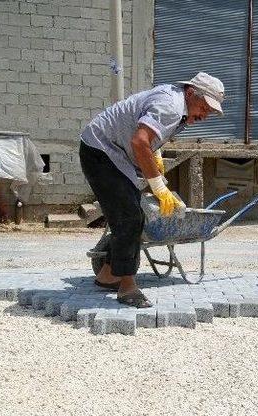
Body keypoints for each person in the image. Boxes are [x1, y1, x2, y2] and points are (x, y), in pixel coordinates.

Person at [79, 72, 224, 308]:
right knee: (129, 217)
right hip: (101, 149)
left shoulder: (179, 106)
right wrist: (158, 187)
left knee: (131, 214)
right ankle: (127, 288)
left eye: (210, 111)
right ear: (190, 93)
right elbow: (139, 142)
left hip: (115, 152)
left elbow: (145, 132)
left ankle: (107, 276)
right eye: (205, 107)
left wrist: (154, 153)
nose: (205, 115)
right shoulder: (171, 105)